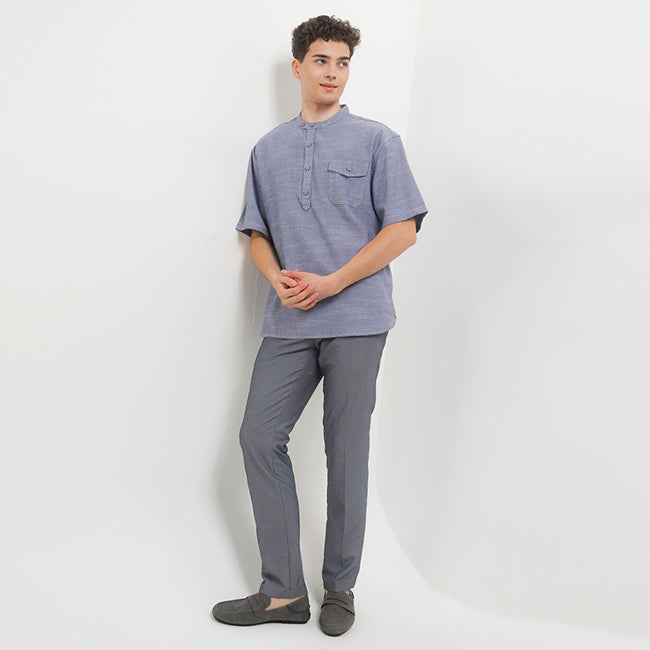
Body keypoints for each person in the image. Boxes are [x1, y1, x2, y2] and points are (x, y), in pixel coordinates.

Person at [212, 15, 427, 637]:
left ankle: (340, 587)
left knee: (346, 450)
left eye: (343, 62)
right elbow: (256, 232)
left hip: (357, 318)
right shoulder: (268, 150)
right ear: (298, 67)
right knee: (259, 436)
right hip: (289, 322)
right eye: (321, 61)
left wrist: (333, 282)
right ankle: (283, 592)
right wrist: (275, 276)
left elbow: (403, 230)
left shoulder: (378, 141)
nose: (332, 72)